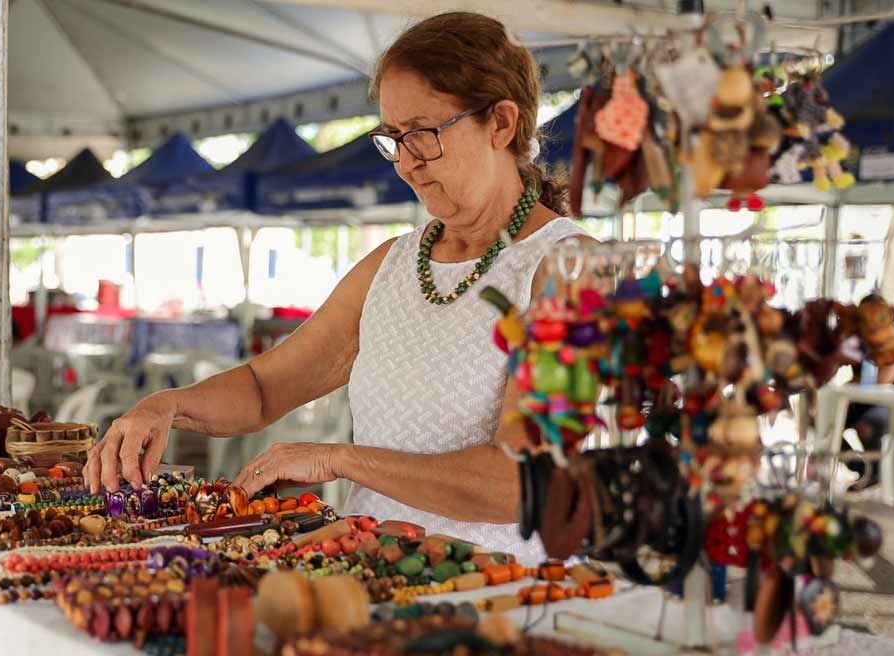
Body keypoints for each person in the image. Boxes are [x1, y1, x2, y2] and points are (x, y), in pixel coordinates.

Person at [85, 11, 594, 560]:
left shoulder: (570, 269)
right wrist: (166, 406)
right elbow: (264, 388)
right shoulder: (393, 264)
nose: (405, 164)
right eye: (393, 139)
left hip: (499, 597)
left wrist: (340, 460)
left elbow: (521, 483)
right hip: (366, 578)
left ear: (501, 123)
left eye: (423, 135)